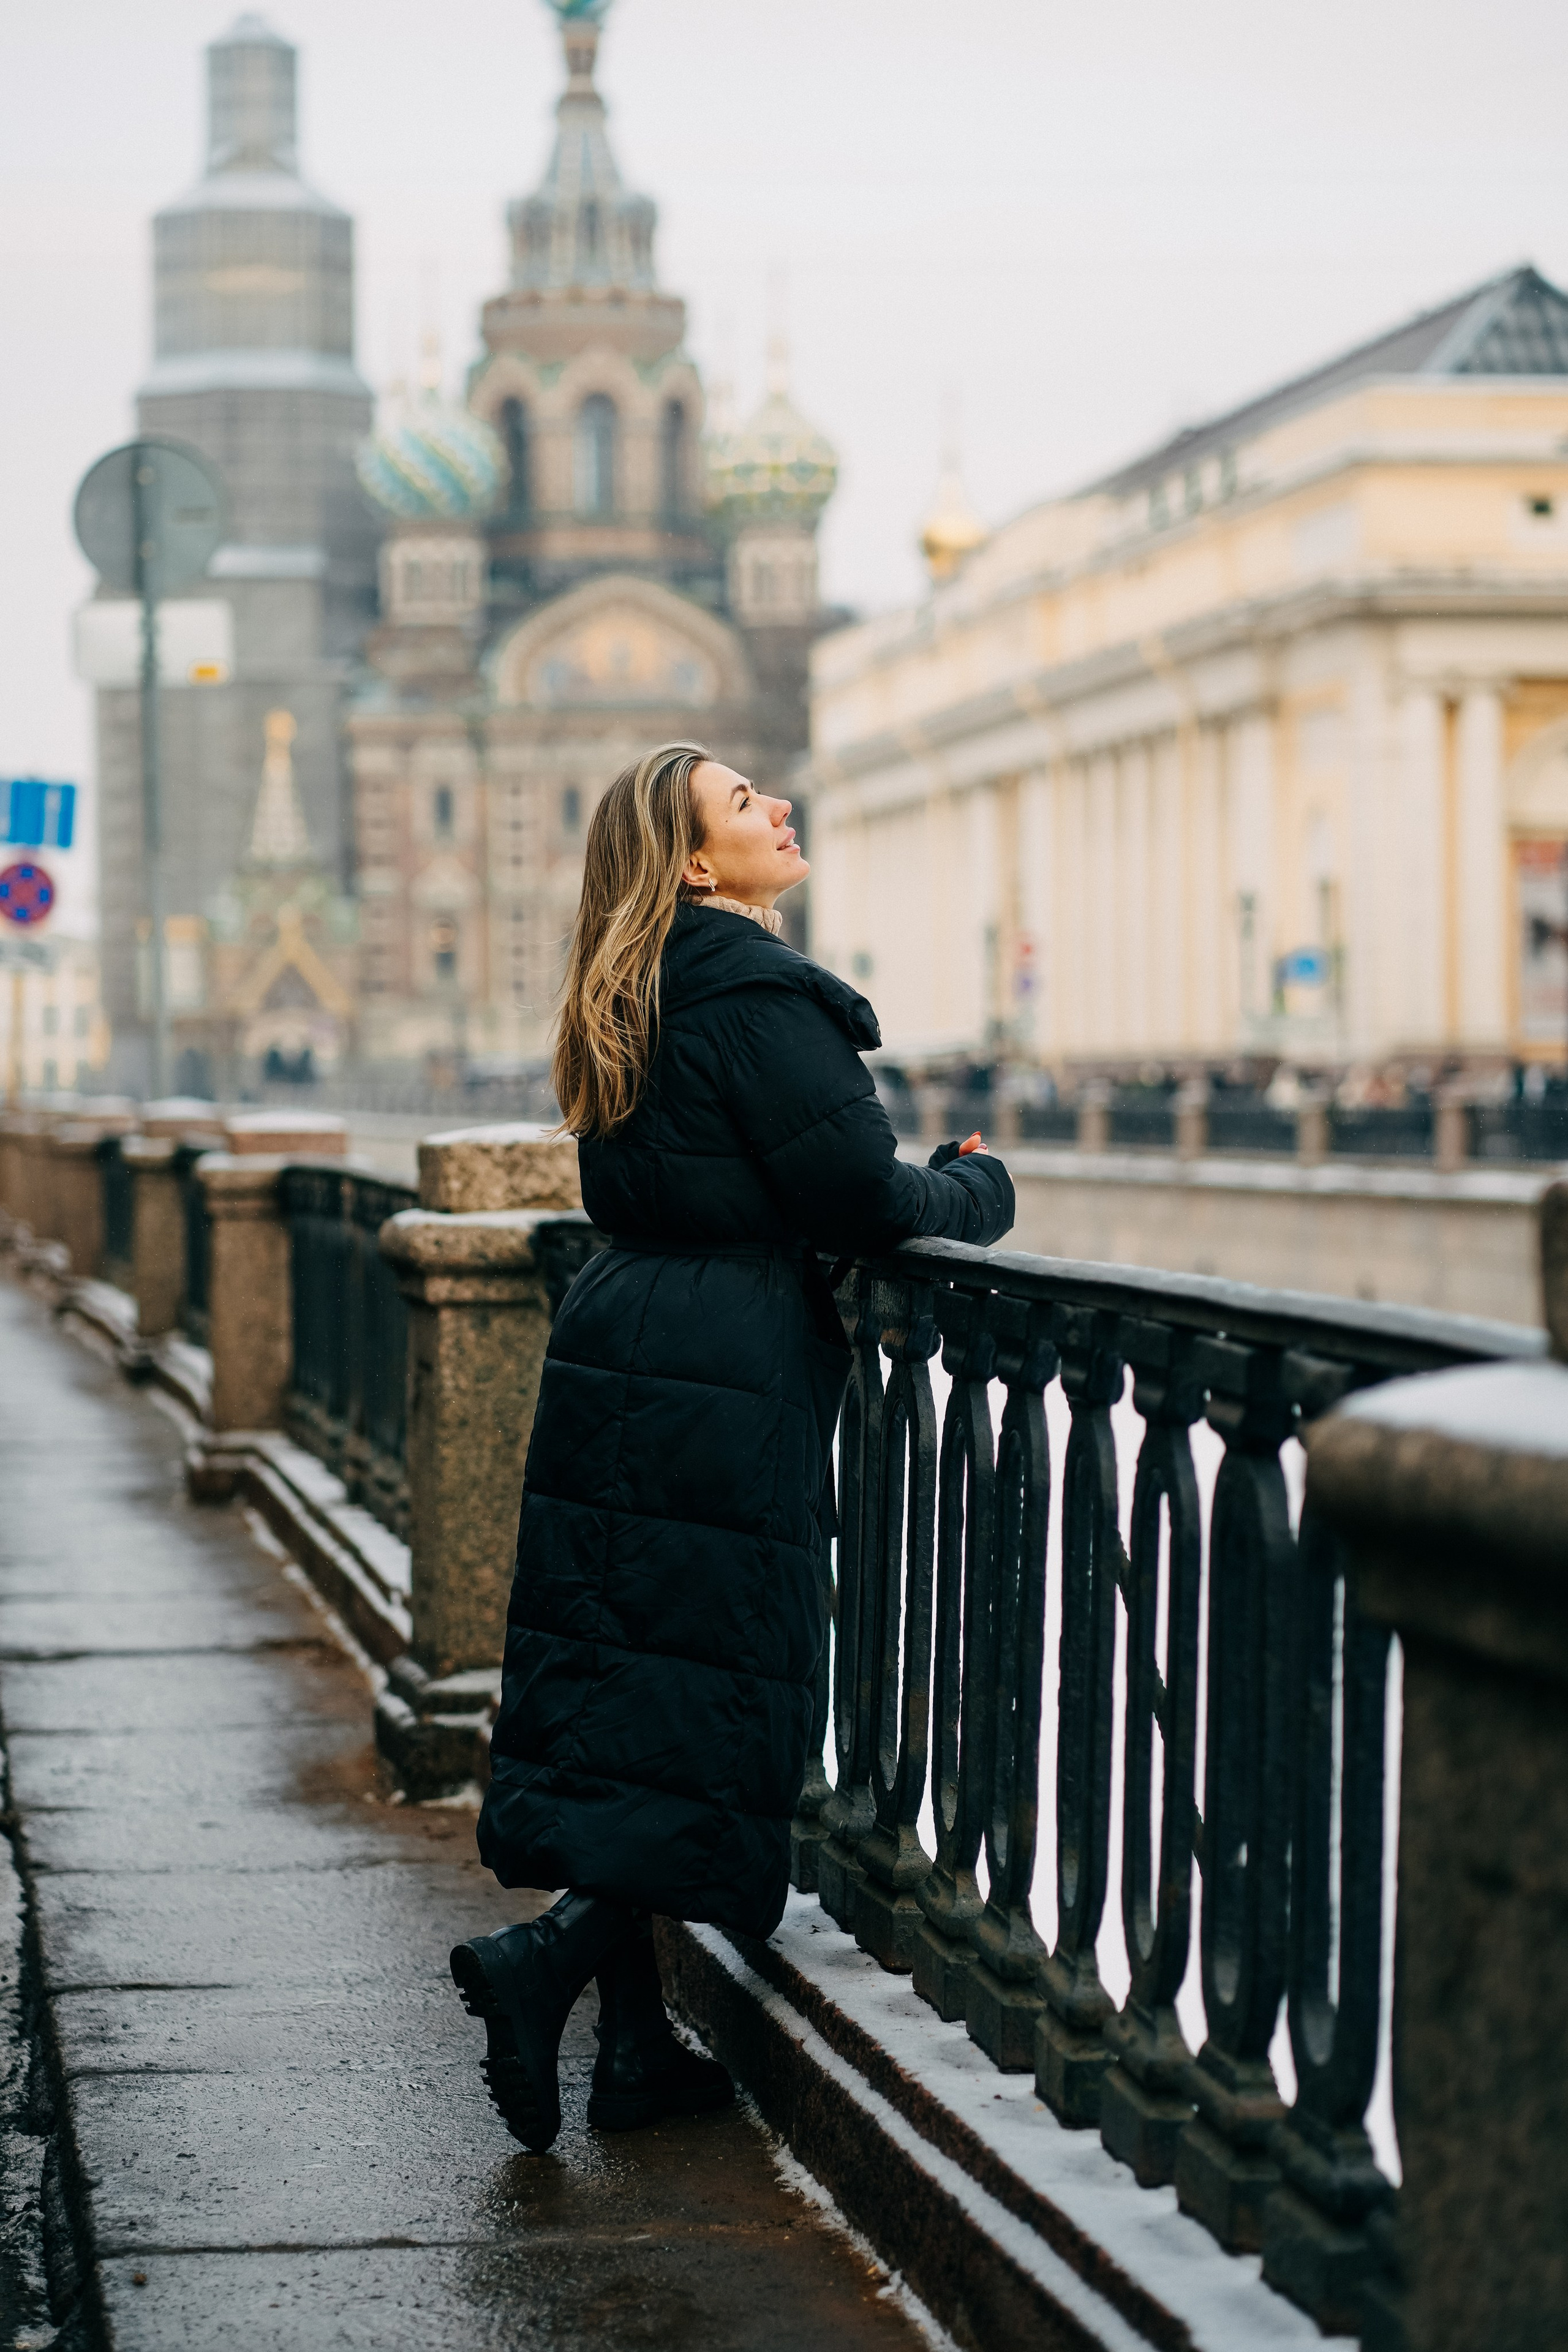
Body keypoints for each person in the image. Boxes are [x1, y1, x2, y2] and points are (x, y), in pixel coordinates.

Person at [450, 742, 1015, 2153]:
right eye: (742, 804)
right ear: (698, 867)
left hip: (622, 1330)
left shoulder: (629, 991)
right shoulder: (755, 994)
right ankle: (553, 1959)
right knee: (697, 1680)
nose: (777, 809)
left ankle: (635, 2051)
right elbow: (854, 1194)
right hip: (725, 1362)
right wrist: (973, 1186)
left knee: (631, 1679)